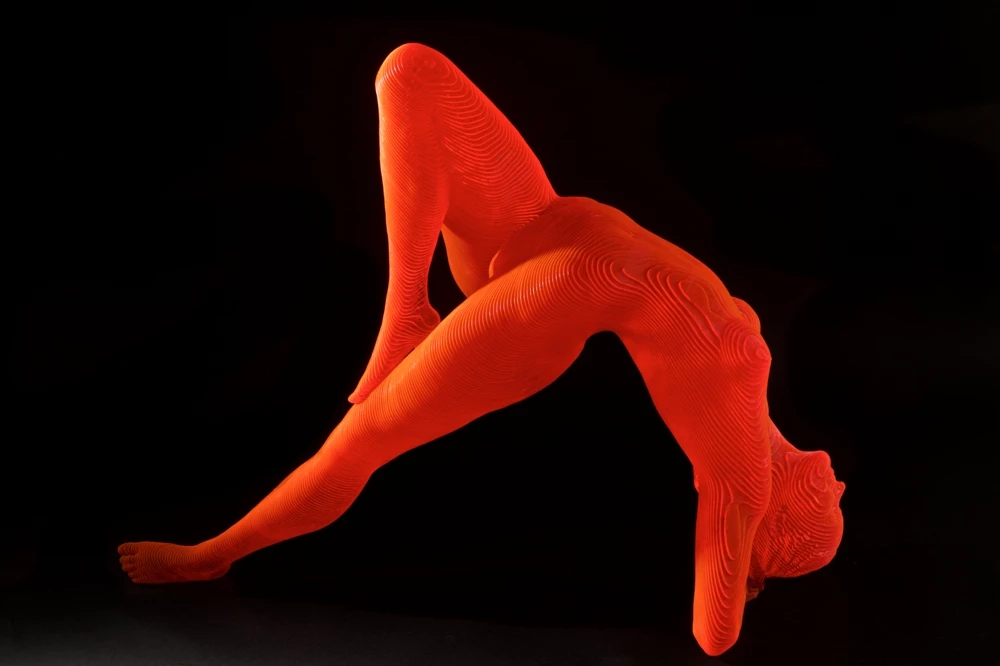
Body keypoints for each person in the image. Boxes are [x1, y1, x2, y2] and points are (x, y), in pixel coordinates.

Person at [118, 43, 845, 656]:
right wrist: (748, 559)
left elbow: (714, 636)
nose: (837, 479)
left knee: (359, 442)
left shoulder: (743, 475)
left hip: (558, 294)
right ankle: (406, 304)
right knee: (409, 73)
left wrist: (740, 569)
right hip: (541, 225)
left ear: (780, 519)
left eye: (826, 510)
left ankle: (209, 558)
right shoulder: (750, 366)